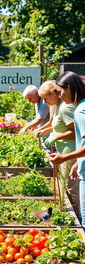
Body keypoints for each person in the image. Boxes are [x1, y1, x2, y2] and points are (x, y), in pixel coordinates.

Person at [49, 71, 85, 226]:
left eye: (60, 91)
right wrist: (78, 162)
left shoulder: (80, 111)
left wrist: (65, 158)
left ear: (69, 88)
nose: (60, 96)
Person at [38, 80, 79, 215]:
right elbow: (60, 126)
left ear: (53, 94)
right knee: (67, 185)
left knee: (71, 187)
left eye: (45, 98)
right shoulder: (58, 106)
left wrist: (56, 137)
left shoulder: (66, 108)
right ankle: (71, 213)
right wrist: (48, 130)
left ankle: (78, 217)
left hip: (71, 152)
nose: (44, 102)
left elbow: (75, 131)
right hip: (64, 151)